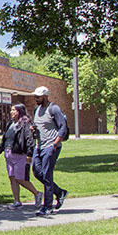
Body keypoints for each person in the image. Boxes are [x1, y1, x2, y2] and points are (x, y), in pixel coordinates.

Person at [30, 86, 70, 216]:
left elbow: (63, 127)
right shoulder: (36, 110)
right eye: (35, 96)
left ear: (45, 96)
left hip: (50, 146)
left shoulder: (54, 109)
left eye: (38, 97)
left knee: (47, 175)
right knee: (37, 172)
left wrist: (55, 144)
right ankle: (59, 192)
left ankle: (47, 207)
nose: (35, 99)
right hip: (39, 146)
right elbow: (39, 126)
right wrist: (33, 130)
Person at [0, 103, 41, 209]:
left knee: (21, 179)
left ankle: (37, 194)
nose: (11, 112)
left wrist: (30, 154)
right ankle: (17, 201)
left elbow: (30, 139)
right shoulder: (10, 123)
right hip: (8, 154)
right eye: (11, 110)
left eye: (14, 110)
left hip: (20, 155)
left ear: (20, 111)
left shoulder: (25, 123)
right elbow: (5, 137)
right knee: (12, 178)